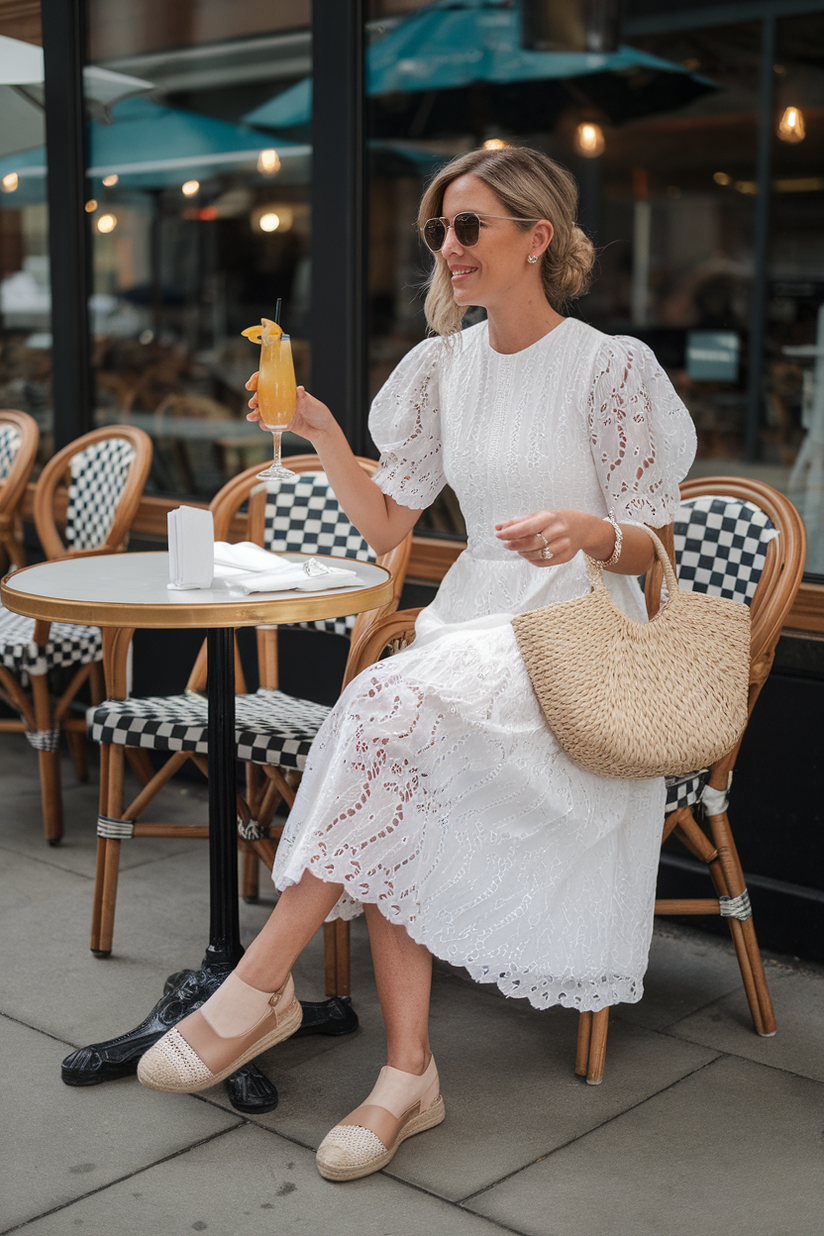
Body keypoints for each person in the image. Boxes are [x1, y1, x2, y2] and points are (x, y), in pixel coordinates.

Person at [137, 146, 697, 1181]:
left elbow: (654, 544)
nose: (448, 246)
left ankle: (260, 987)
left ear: (537, 237)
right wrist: (323, 434)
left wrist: (588, 530)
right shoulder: (443, 368)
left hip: (570, 638)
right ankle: (404, 1073)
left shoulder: (608, 365)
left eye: (469, 226)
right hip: (469, 627)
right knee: (394, 745)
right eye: (439, 228)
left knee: (384, 710)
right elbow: (389, 520)